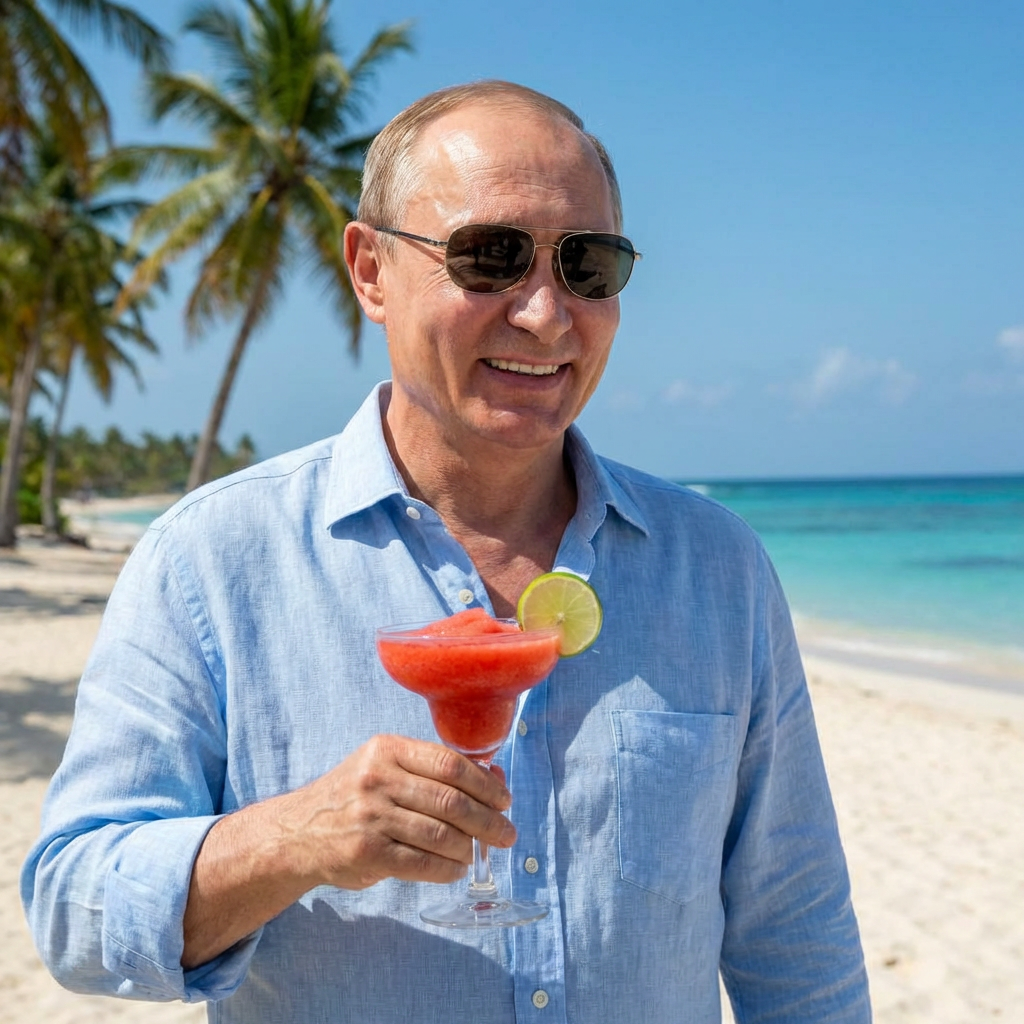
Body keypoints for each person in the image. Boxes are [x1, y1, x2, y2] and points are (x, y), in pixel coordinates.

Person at [22, 81, 871, 1023]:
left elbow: (797, 939)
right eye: (491, 257)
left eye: (586, 264)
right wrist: (296, 837)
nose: (546, 315)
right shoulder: (213, 560)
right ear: (371, 269)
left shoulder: (716, 570)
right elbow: (74, 912)